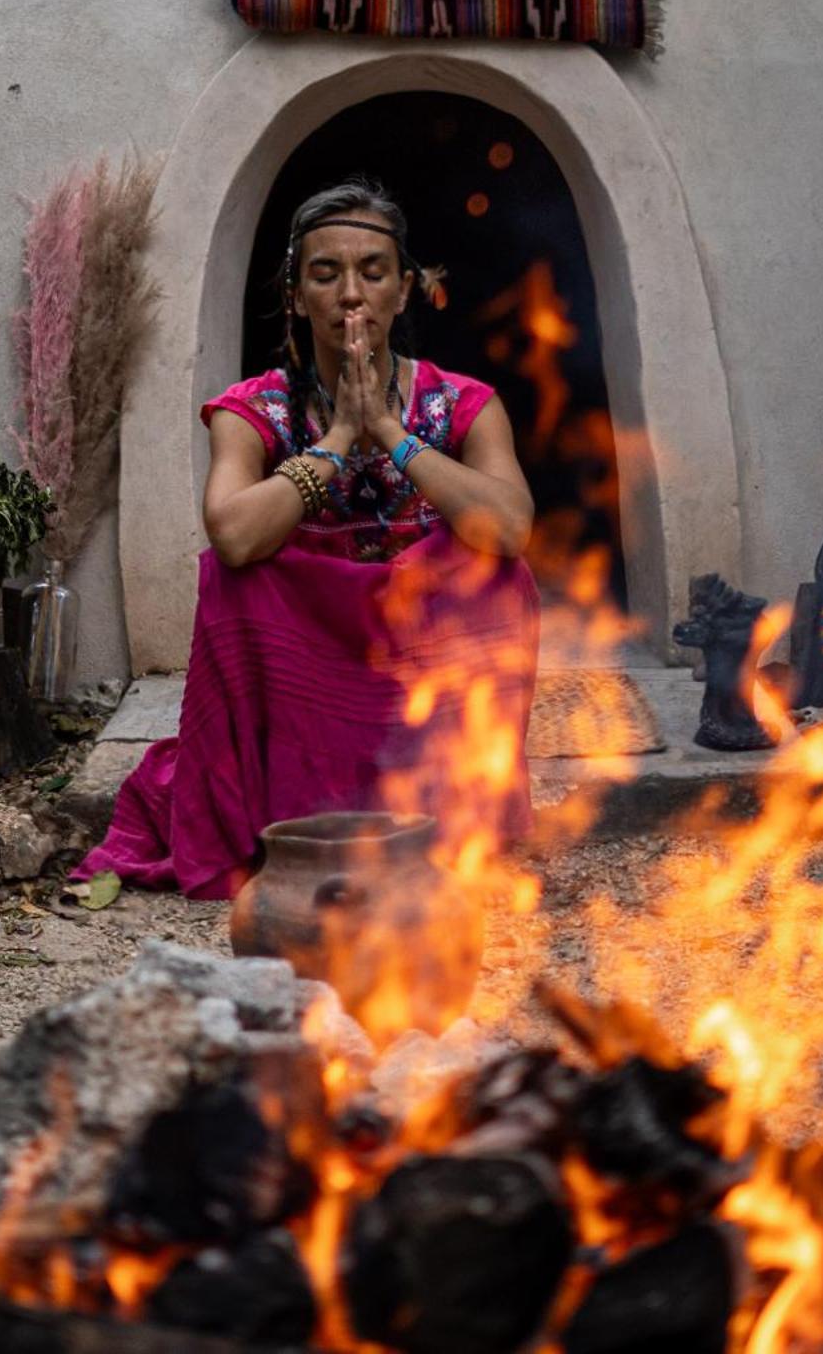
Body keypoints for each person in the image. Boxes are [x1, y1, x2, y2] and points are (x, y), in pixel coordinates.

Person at [73, 180, 540, 899]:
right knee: (239, 576)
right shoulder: (250, 408)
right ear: (295, 296)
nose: (350, 294)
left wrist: (389, 432)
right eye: (325, 274)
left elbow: (509, 527)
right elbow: (230, 535)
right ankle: (287, 819)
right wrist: (340, 437)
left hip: (414, 652)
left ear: (402, 291)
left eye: (372, 272)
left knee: (496, 573)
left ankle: (450, 811)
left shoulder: (463, 403)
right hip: (309, 650)